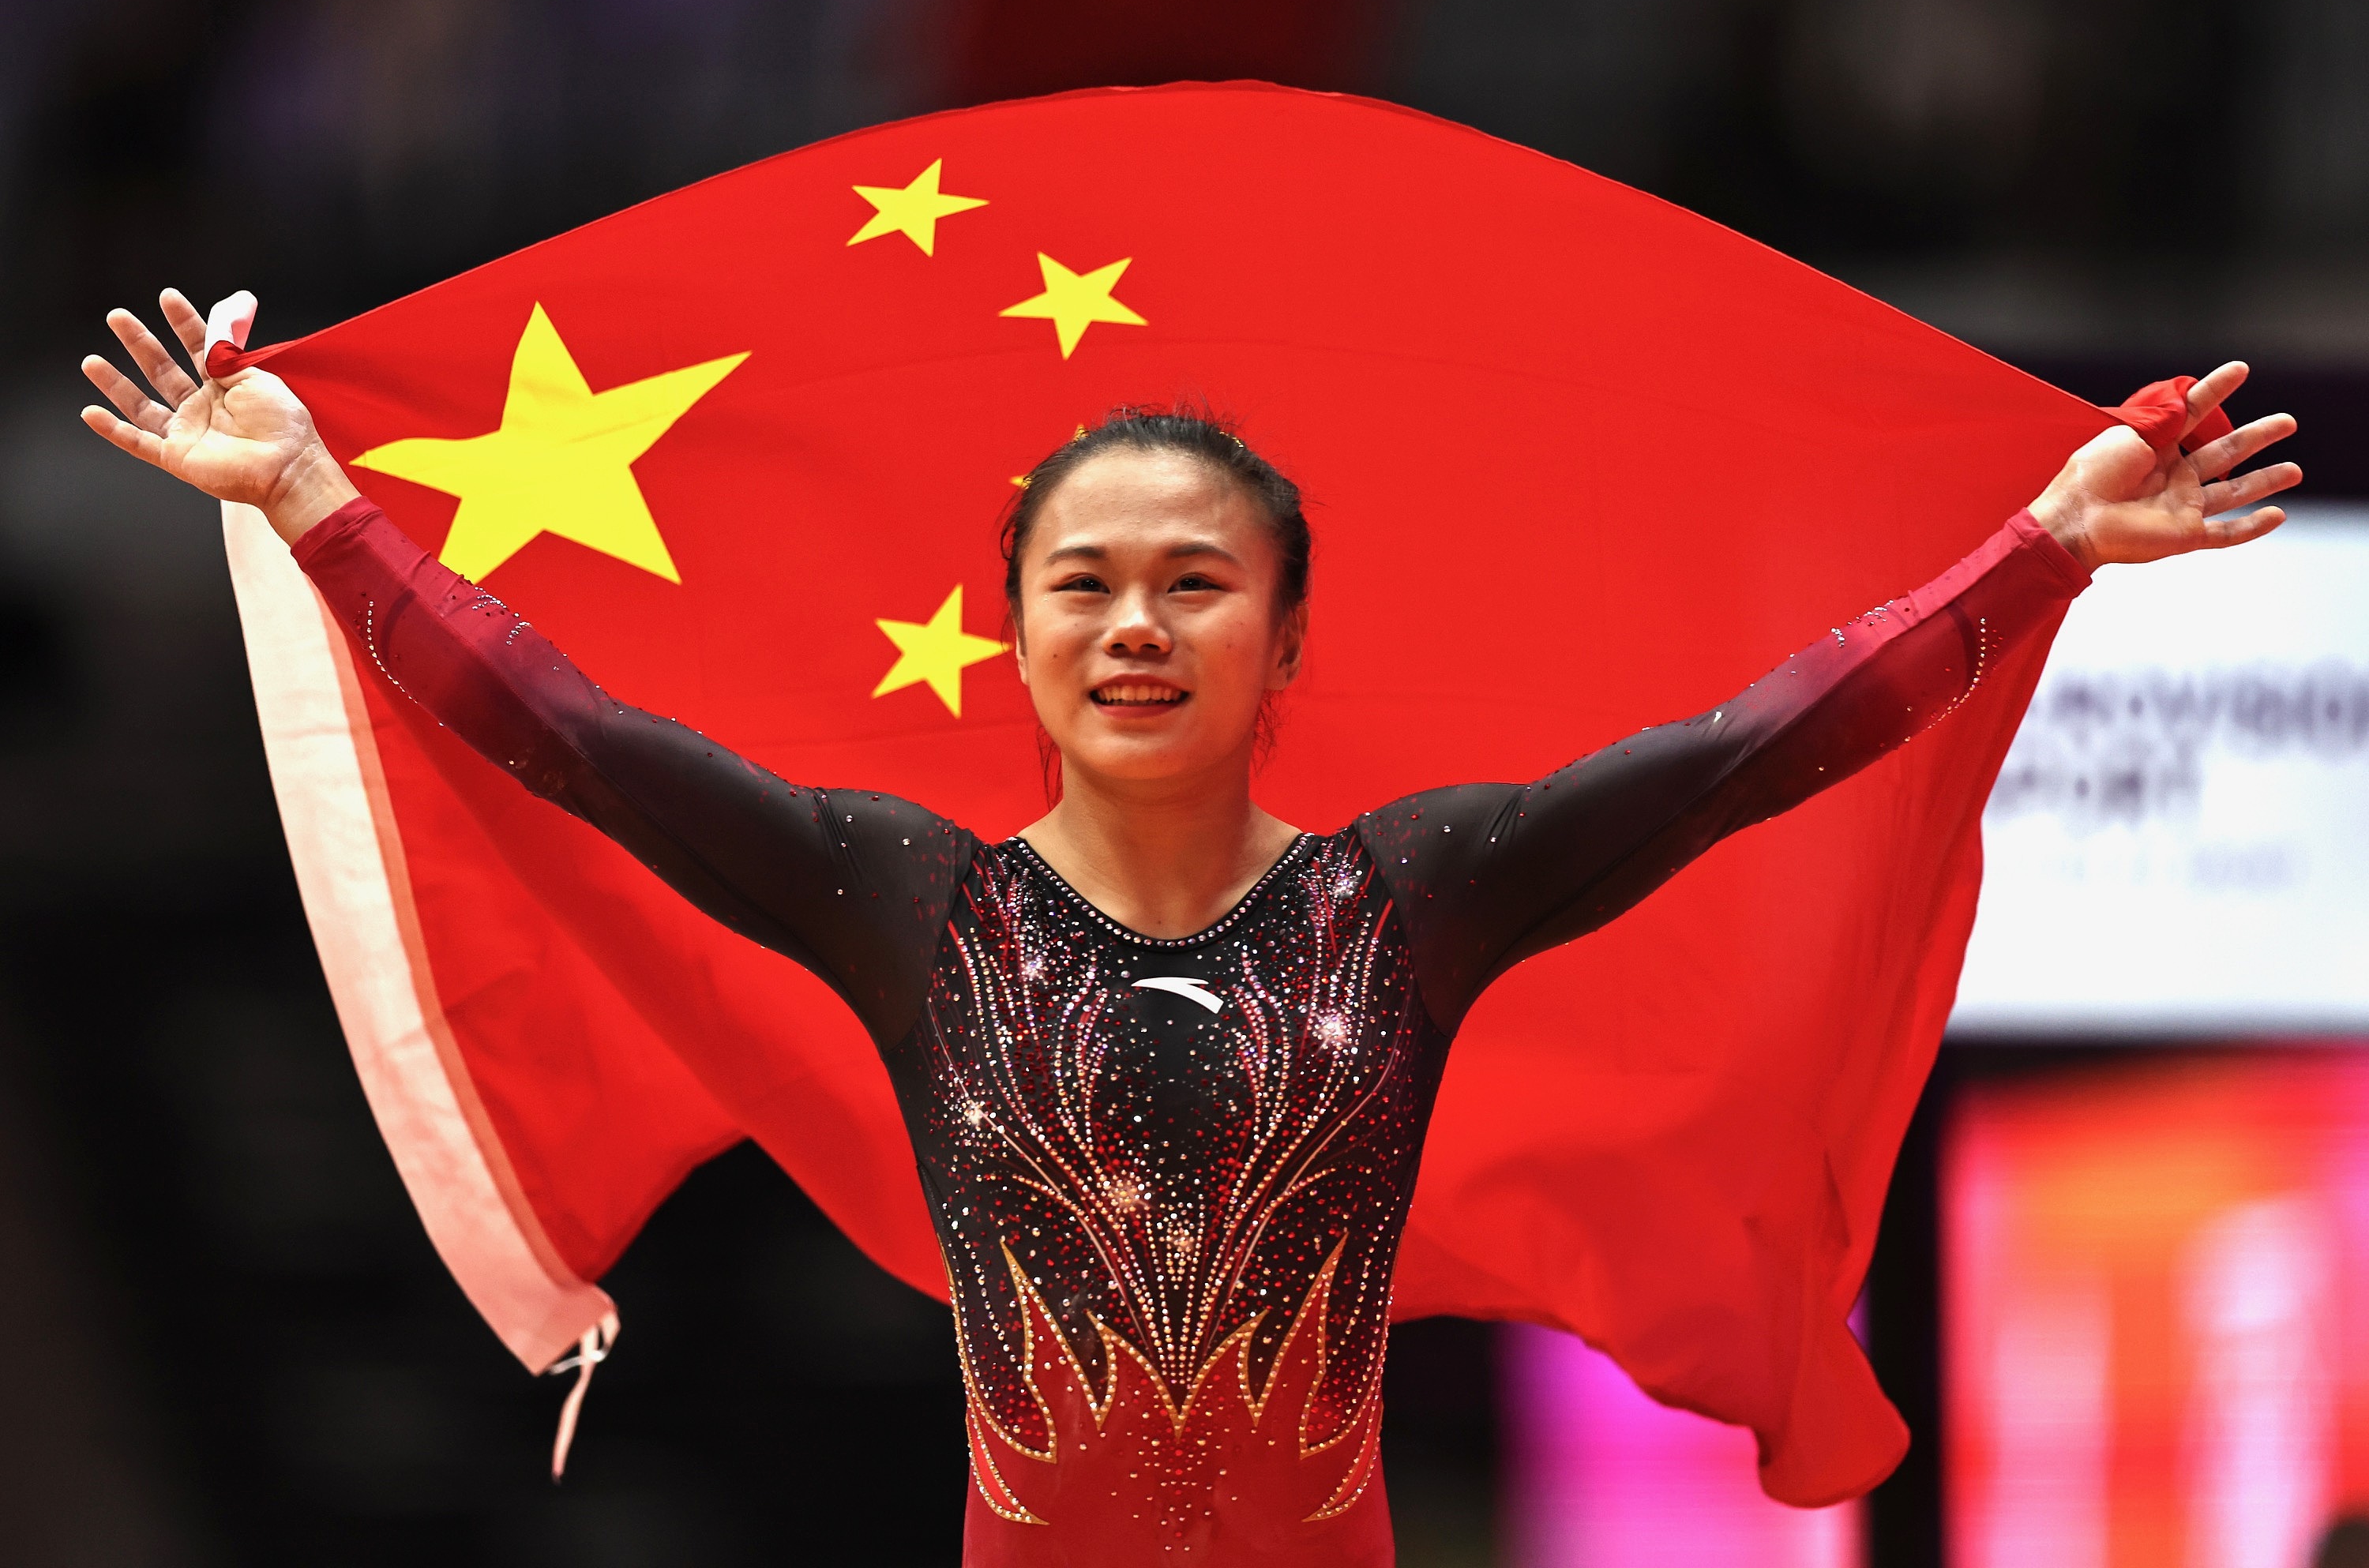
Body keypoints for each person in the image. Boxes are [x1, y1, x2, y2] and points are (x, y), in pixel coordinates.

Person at [81, 289, 2300, 1568]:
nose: (1136, 622)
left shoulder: (1413, 898)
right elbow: (557, 731)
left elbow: (1755, 747)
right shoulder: (905, 901)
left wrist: (2043, 550)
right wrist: (313, 504)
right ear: (1018, 636)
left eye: (1196, 580)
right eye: (1085, 581)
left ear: (1284, 638)